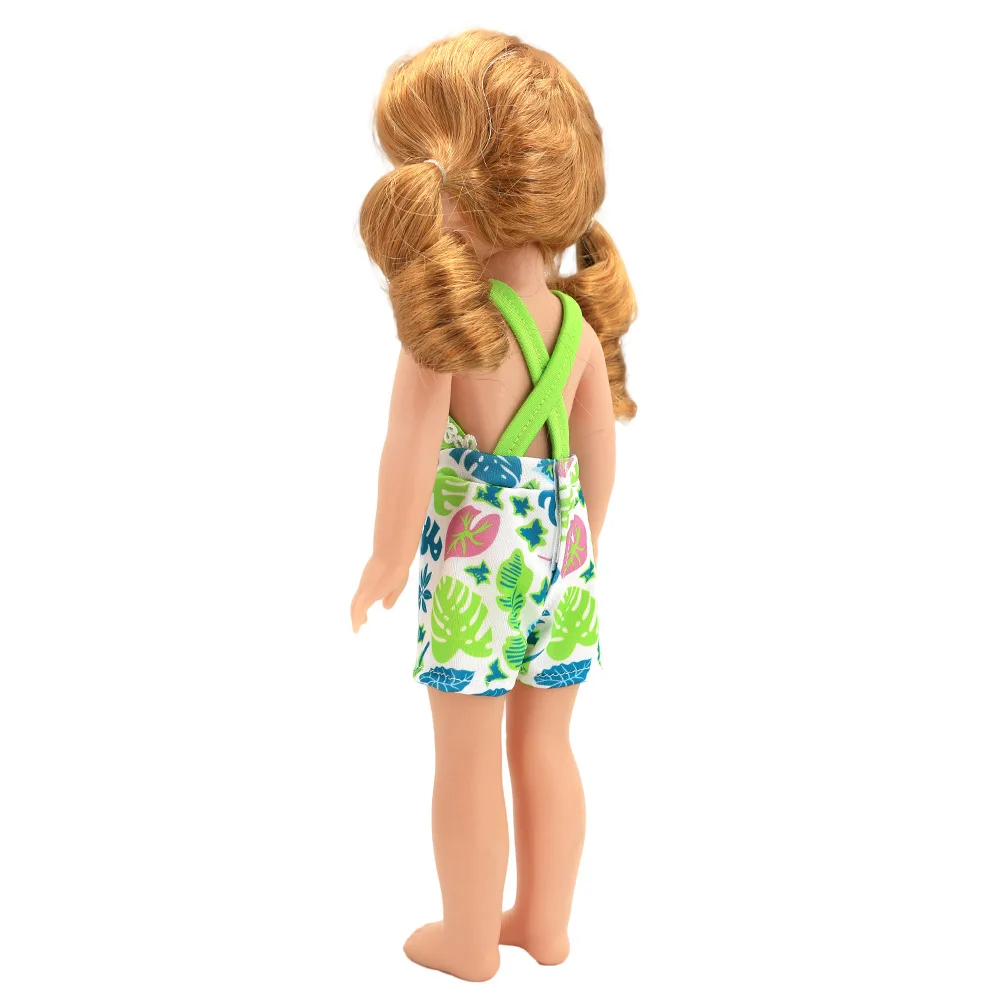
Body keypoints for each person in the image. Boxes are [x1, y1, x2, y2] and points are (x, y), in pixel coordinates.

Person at [350, 28, 637, 982]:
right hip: (565, 556)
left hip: (480, 564)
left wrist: (388, 557)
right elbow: (596, 457)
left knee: (467, 757)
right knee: (548, 745)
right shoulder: (579, 328)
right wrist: (578, 547)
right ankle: (546, 926)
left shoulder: (450, 326)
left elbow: (408, 450)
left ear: (456, 198)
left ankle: (471, 941)